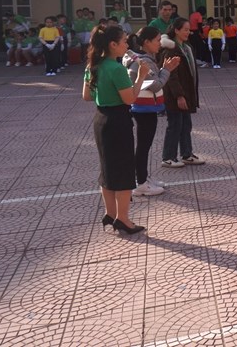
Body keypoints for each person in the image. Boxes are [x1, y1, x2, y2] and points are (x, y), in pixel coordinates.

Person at [83, 25, 149, 234]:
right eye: (124, 41)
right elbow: (129, 99)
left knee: (108, 169)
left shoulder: (93, 65)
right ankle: (123, 218)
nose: (127, 45)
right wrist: (140, 77)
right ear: (113, 45)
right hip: (117, 121)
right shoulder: (116, 68)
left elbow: (86, 96)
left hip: (101, 119)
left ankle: (110, 213)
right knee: (123, 171)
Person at [124, 26, 180, 197]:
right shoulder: (144, 61)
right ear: (147, 42)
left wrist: (163, 69)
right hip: (143, 108)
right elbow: (156, 85)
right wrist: (167, 70)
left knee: (144, 145)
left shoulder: (145, 59)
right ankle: (140, 183)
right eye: (157, 40)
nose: (160, 43)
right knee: (143, 145)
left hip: (145, 107)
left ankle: (143, 178)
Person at [159, 18, 205, 167]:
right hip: (175, 95)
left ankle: (187, 154)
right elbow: (171, 75)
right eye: (185, 29)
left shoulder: (185, 47)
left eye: (189, 29)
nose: (188, 32)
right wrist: (179, 95)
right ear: (176, 30)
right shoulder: (171, 49)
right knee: (175, 125)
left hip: (186, 93)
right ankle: (168, 157)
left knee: (185, 125)